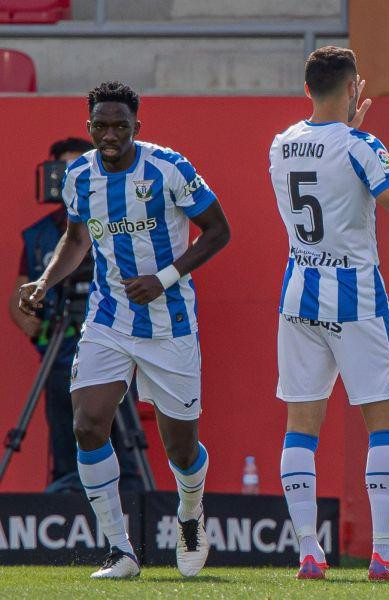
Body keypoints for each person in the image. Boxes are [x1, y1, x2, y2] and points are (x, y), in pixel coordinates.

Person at [18, 81, 231, 579]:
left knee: (181, 448)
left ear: (138, 125)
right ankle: (121, 551)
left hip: (169, 323)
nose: (110, 134)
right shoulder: (78, 177)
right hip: (108, 318)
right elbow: (75, 240)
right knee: (88, 424)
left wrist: (163, 279)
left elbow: (219, 230)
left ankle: (190, 513)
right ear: (88, 126)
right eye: (101, 125)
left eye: (120, 125)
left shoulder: (169, 168)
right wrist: (46, 282)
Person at [269, 45, 389, 582]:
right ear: (353, 89)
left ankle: (307, 551)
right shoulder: (358, 144)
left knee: (301, 426)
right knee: (383, 422)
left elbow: (344, 191)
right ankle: (383, 554)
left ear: (308, 90)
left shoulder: (282, 144)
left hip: (299, 292)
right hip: (355, 297)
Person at [9, 138, 141, 494]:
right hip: (60, 349)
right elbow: (20, 294)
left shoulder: (117, 219)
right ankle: (68, 503)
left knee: (116, 428)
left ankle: (128, 502)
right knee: (67, 434)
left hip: (112, 338)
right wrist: (36, 329)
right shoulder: (38, 235)